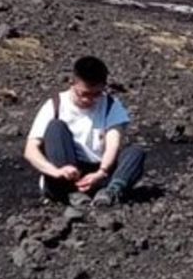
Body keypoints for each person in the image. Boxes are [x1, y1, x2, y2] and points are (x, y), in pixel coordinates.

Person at [23, 55, 145, 208]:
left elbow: (113, 143)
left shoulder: (110, 104)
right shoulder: (55, 105)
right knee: (56, 127)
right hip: (65, 173)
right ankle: (70, 192)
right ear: (72, 83)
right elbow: (30, 150)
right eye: (84, 94)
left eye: (96, 94)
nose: (90, 100)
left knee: (135, 152)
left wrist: (101, 172)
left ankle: (111, 192)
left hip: (100, 172)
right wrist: (55, 172)